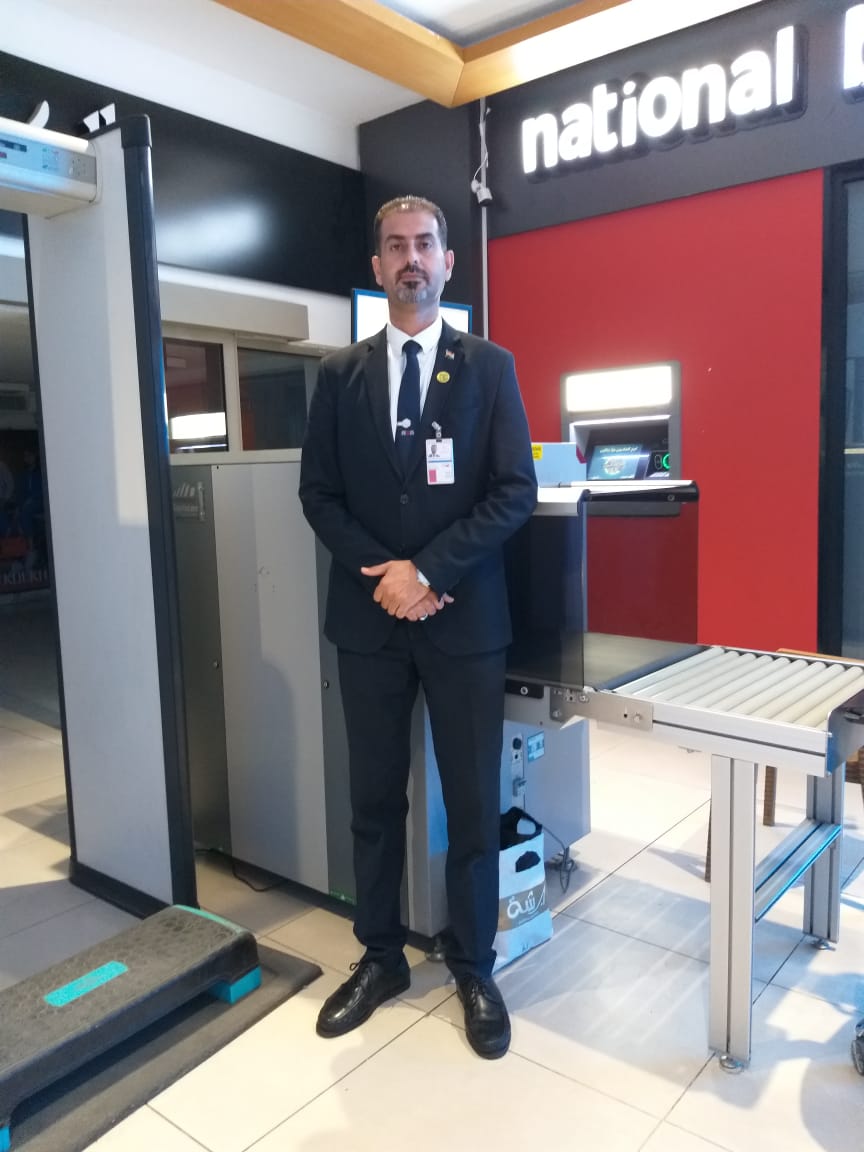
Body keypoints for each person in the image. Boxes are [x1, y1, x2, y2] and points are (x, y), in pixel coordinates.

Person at [298, 194, 537, 1059]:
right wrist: (389, 578)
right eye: (396, 246)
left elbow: (513, 491)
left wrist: (429, 572)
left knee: (472, 802)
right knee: (373, 799)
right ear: (377, 266)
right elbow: (318, 494)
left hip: (463, 621)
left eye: (425, 245)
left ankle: (473, 965)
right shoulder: (339, 376)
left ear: (446, 262)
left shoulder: (491, 368)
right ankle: (380, 957)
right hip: (370, 625)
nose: (411, 259)